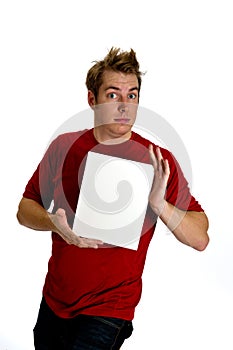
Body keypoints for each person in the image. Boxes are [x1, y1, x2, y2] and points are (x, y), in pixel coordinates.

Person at [17, 47, 209, 349]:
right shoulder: (64, 147)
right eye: (113, 95)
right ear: (92, 99)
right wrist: (52, 222)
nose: (124, 106)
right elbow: (24, 209)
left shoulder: (158, 160)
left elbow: (201, 238)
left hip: (109, 311)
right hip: (54, 300)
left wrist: (160, 205)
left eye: (132, 95)